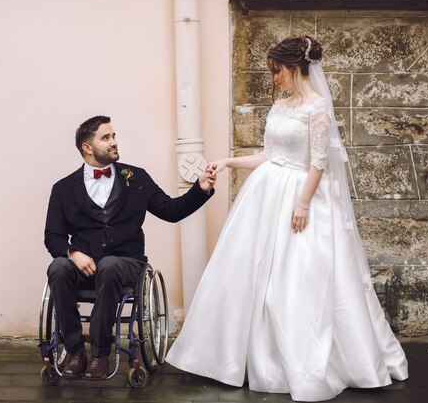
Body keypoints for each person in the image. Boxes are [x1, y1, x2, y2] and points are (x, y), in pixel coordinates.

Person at [166, 36, 409, 401]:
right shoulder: (280, 105)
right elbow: (269, 155)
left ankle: (303, 363)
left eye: (277, 70)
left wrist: (303, 203)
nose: (274, 77)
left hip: (302, 196)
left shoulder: (317, 107)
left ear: (295, 67)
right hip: (266, 194)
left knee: (297, 280)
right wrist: (230, 162)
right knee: (250, 274)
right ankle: (242, 357)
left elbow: (319, 162)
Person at [44, 115, 215, 380]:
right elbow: (53, 237)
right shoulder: (63, 189)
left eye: (114, 136)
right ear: (87, 147)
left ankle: (101, 354)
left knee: (110, 266)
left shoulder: (136, 178)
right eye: (106, 137)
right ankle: (76, 351)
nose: (114, 142)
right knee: (57, 267)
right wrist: (72, 254)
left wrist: (200, 189)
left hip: (126, 262)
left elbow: (170, 210)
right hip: (84, 264)